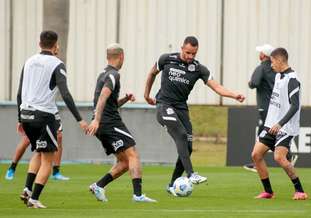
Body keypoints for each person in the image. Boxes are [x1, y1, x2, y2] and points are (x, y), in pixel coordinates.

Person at [144, 36, 245, 196]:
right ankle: (191, 174)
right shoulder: (166, 59)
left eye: (194, 54)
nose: (191, 57)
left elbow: (217, 87)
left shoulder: (199, 69)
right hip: (164, 105)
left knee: (188, 147)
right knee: (181, 135)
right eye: (188, 53)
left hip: (181, 109)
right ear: (182, 48)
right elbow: (152, 73)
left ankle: (172, 185)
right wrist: (146, 94)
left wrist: (234, 95)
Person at [17, 30, 88, 208]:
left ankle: (27, 189)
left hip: (26, 113)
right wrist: (79, 119)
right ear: (56, 45)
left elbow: (20, 91)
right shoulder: (57, 64)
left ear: (39, 43)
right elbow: (65, 93)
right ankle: (34, 199)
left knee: (38, 152)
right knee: (48, 158)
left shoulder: (29, 61)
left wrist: (20, 118)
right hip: (43, 115)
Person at [87, 43, 156, 203]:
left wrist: (124, 99)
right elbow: (103, 96)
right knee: (133, 155)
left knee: (125, 162)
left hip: (104, 123)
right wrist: (97, 120)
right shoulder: (113, 75)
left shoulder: (103, 74)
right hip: (109, 123)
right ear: (122, 56)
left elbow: (108, 103)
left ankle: (99, 186)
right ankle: (138, 195)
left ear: (107, 57)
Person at [251, 47, 308, 200]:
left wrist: (280, 124)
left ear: (279, 60)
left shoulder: (292, 79)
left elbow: (295, 106)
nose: (271, 65)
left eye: (272, 61)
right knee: (256, 155)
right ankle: (268, 192)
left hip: (286, 128)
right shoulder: (278, 77)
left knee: (279, 158)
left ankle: (300, 191)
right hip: (271, 124)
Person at [244, 44, 298, 173]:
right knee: (271, 134)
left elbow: (254, 82)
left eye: (260, 52)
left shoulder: (262, 67)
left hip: (266, 107)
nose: (259, 54)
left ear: (264, 55)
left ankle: (262, 161)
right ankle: (288, 156)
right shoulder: (277, 72)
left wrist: (250, 83)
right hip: (277, 107)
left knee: (265, 133)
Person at [5, 113, 70, 181]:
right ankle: (12, 168)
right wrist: (20, 119)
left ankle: (56, 172)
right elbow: (19, 101)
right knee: (27, 139)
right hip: (32, 110)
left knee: (58, 136)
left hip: (51, 111)